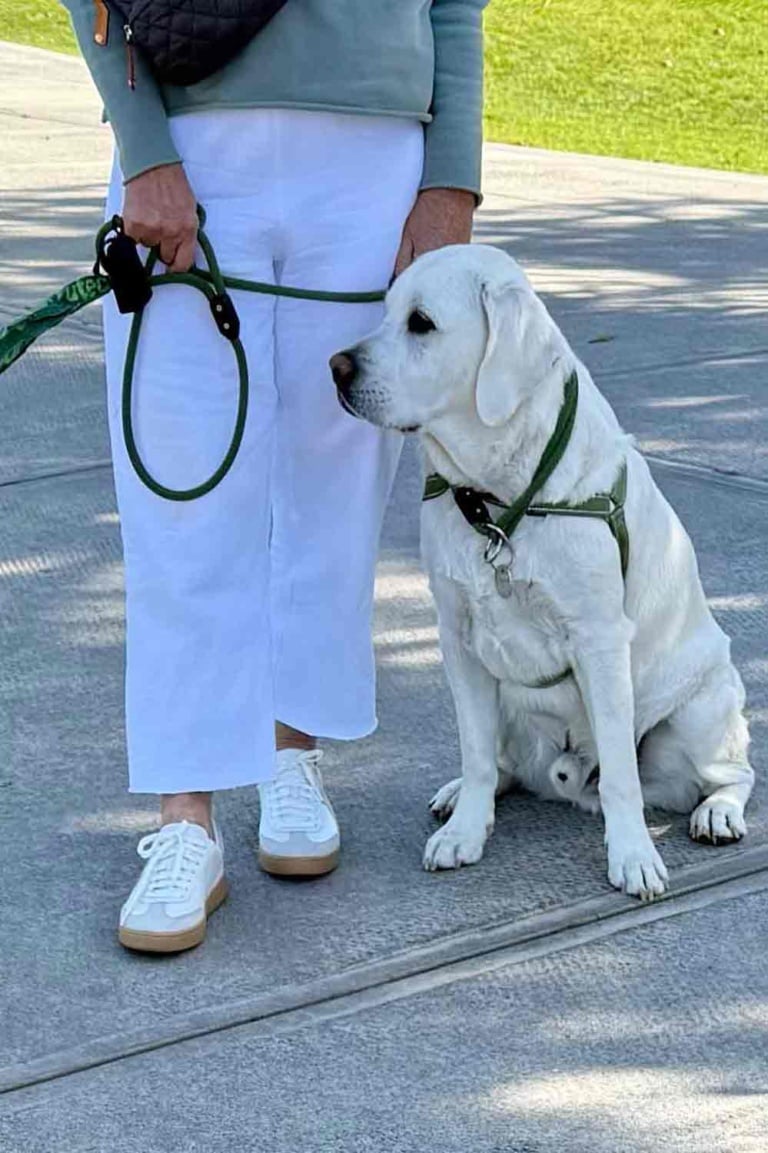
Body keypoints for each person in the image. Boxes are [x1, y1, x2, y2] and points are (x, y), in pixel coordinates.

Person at [62, 0, 488, 953]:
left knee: (337, 488)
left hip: (377, 159)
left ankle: (293, 755)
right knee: (182, 487)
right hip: (192, 148)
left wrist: (450, 180)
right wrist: (143, 149)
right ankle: (185, 817)